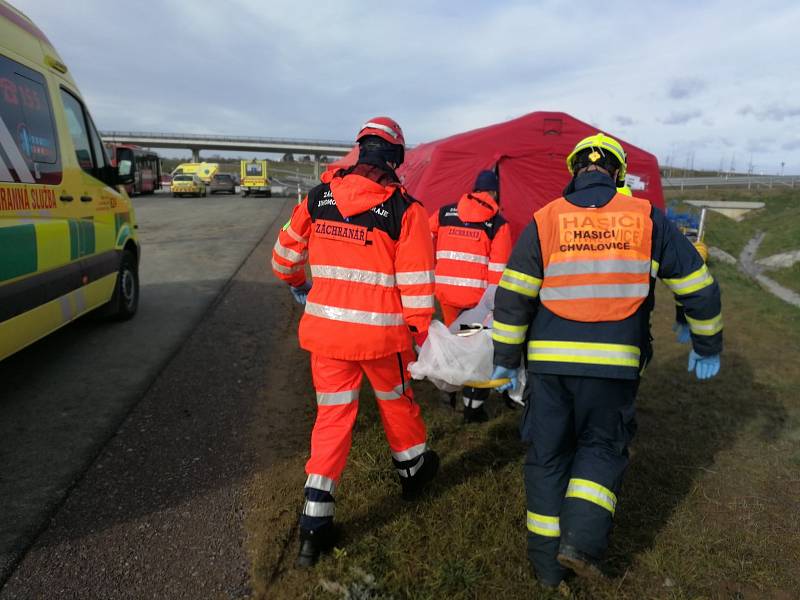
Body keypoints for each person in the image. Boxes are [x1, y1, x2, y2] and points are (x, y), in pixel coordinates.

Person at [489, 133, 723, 588]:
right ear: (618, 173)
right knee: (600, 449)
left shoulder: (546, 219)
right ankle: (580, 543)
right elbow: (699, 285)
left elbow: (513, 296)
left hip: (550, 367)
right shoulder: (646, 218)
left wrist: (504, 357)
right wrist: (706, 343)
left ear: (574, 170)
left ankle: (547, 569)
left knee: (547, 457)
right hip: (615, 366)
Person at [271, 116, 440, 567]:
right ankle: (414, 475)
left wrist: (300, 284)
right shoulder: (407, 211)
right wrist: (417, 336)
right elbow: (419, 288)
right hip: (385, 340)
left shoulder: (318, 197)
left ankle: (313, 525)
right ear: (396, 161)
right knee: (397, 405)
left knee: (332, 420)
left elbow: (283, 259)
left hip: (326, 337)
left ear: (360, 151)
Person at [428, 170, 512, 422]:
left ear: (474, 190)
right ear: (494, 193)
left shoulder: (444, 214)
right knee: (476, 350)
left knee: (452, 343)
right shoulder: (498, 224)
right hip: (477, 303)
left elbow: (421, 238)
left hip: (445, 293)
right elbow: (498, 273)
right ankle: (472, 407)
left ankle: (446, 395)